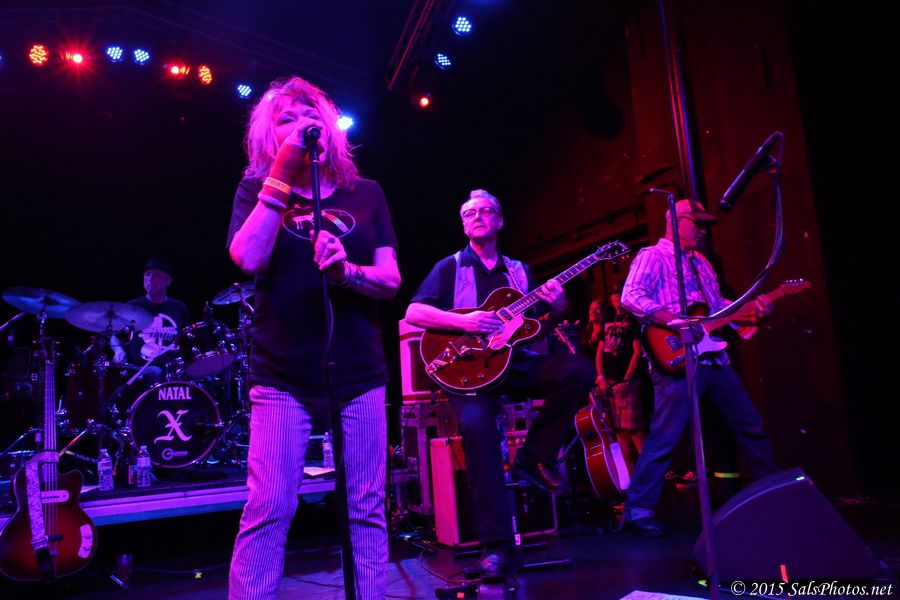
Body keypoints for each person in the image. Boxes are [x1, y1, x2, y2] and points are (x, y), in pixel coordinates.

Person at [225, 76, 400, 599]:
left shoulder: (366, 193)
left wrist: (347, 273)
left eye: (310, 114)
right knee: (270, 506)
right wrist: (281, 172)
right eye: (286, 118)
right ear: (269, 137)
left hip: (359, 372)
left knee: (365, 506)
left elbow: (390, 280)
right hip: (282, 375)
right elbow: (248, 257)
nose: (302, 123)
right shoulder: (256, 190)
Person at [405, 189, 594, 576]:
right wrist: (465, 321)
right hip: (468, 371)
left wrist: (558, 306)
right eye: (469, 213)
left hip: (513, 362)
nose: (477, 216)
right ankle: (497, 547)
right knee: (477, 428)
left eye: (486, 210)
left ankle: (533, 457)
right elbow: (414, 312)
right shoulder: (450, 266)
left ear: (500, 220)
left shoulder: (519, 271)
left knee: (578, 371)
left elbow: (537, 326)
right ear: (463, 224)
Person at [620, 198, 777, 536]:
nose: (703, 230)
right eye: (698, 223)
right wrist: (674, 321)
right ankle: (637, 509)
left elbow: (718, 309)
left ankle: (772, 493)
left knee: (751, 425)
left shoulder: (702, 262)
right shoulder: (652, 256)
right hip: (677, 358)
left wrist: (751, 312)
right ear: (676, 221)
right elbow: (631, 296)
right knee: (664, 436)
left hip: (713, 358)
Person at [593, 285, 646, 472]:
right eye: (613, 295)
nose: (616, 298)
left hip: (627, 381)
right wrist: (600, 375)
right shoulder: (608, 320)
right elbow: (600, 350)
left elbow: (637, 351)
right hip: (610, 381)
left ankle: (648, 475)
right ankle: (629, 478)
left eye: (619, 294)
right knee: (619, 431)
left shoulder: (632, 320)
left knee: (635, 429)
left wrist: (627, 380)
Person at [110, 257, 189, 382]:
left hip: (173, 369)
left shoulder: (179, 308)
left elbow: (187, 339)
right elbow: (116, 337)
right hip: (140, 370)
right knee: (154, 373)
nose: (150, 279)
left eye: (156, 275)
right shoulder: (132, 308)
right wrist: (118, 349)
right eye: (147, 275)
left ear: (168, 280)